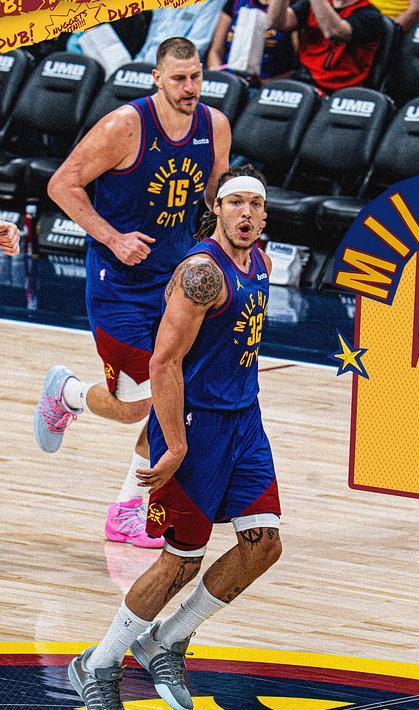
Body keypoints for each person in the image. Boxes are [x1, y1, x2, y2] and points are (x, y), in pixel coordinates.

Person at [67, 165, 282, 710]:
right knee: (181, 561)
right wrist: (176, 443)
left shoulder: (261, 263)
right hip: (194, 425)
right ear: (217, 209)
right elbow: (163, 363)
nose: (244, 213)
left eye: (254, 205)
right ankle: (98, 664)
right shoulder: (201, 274)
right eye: (233, 203)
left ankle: (166, 638)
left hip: (244, 421)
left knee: (263, 545)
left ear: (264, 215)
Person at [33, 37, 231, 547]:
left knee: (175, 398)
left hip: (176, 284)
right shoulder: (125, 126)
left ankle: (128, 508)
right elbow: (62, 184)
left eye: (196, 77)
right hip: (118, 285)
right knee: (134, 407)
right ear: (157, 79)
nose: (190, 87)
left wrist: (235, 239)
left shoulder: (214, 126)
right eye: (179, 78)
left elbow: (215, 197)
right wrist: (114, 238)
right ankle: (69, 393)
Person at [267, 0, 384, 94]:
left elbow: (334, 32)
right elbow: (277, 23)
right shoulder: (311, 5)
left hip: (341, 92)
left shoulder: (370, 15)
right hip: (304, 82)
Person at [207, 0, 297, 81]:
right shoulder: (236, 2)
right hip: (230, 80)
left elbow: (296, 67)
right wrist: (218, 76)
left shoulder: (292, 10)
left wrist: (265, 83)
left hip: (268, 84)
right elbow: (216, 51)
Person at [136, 1, 226, 62]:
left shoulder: (212, 2)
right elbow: (149, 44)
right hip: (145, 68)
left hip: (177, 72)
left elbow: (192, 51)